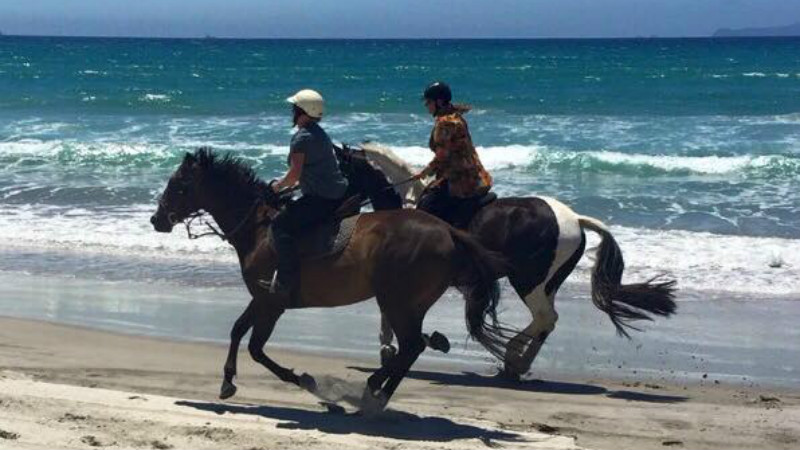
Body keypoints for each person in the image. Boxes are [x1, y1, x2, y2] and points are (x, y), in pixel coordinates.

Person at [268, 89, 349, 298]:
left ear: (302, 110)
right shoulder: (319, 133)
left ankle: (286, 281)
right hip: (336, 193)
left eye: (294, 108)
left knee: (279, 225)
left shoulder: (301, 138)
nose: (292, 112)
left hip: (321, 198)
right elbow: (308, 173)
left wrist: (276, 186)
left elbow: (294, 176)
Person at [415, 82, 492, 227]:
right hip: (473, 172)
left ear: (439, 102)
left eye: (429, 102)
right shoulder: (455, 116)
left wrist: (424, 172)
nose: (426, 106)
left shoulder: (446, 123)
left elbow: (442, 155)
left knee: (426, 208)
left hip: (460, 178)